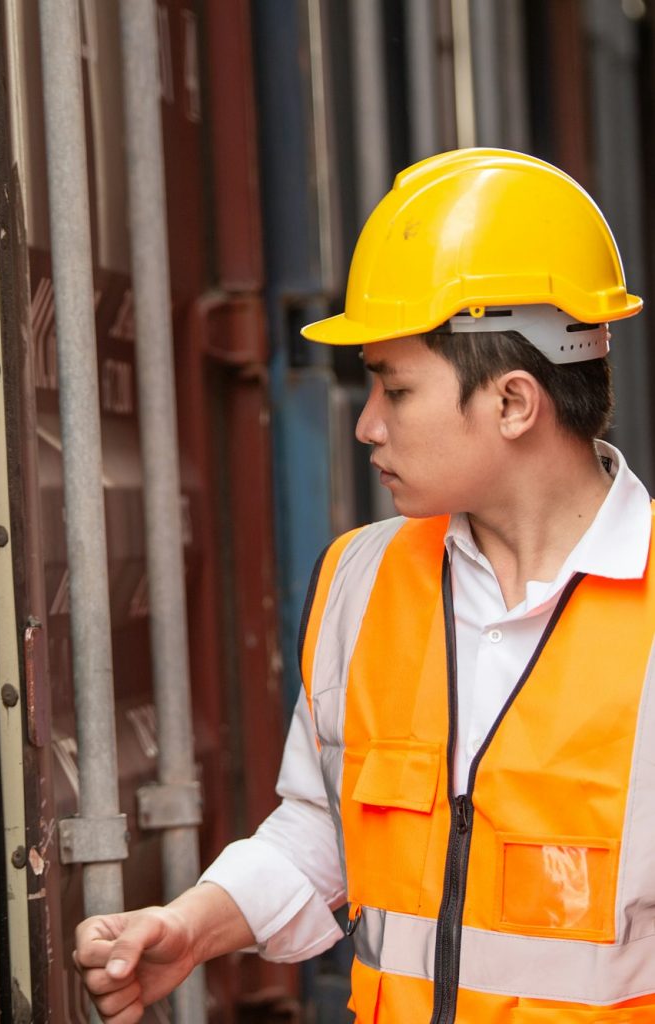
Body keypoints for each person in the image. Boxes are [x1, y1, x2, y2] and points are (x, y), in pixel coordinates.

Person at [74, 149, 655, 1023]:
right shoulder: (364, 578)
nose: (367, 425)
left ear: (513, 402)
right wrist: (191, 927)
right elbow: (326, 832)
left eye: (394, 387)